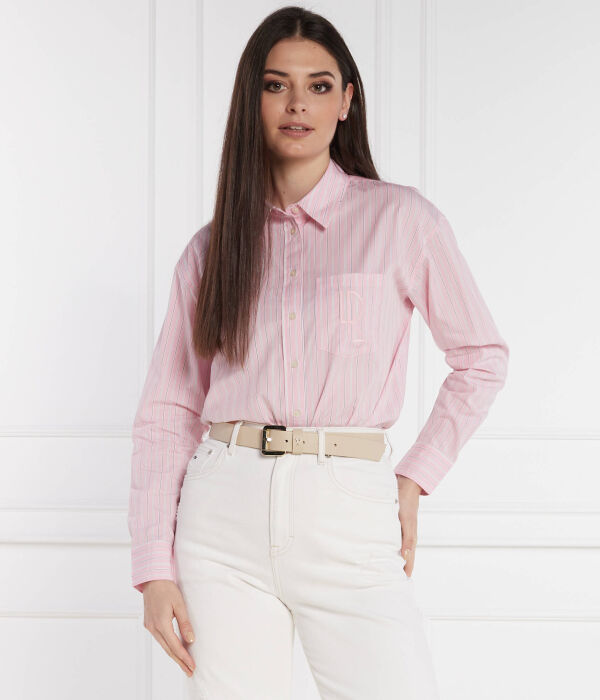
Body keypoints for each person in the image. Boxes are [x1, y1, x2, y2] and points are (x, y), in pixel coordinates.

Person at [127, 6, 509, 699]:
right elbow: (168, 410)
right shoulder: (212, 249)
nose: (297, 103)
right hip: (222, 515)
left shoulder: (401, 220)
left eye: (319, 85)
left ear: (346, 101)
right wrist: (154, 566)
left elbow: (481, 357)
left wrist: (414, 477)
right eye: (276, 85)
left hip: (349, 510)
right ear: (252, 101)